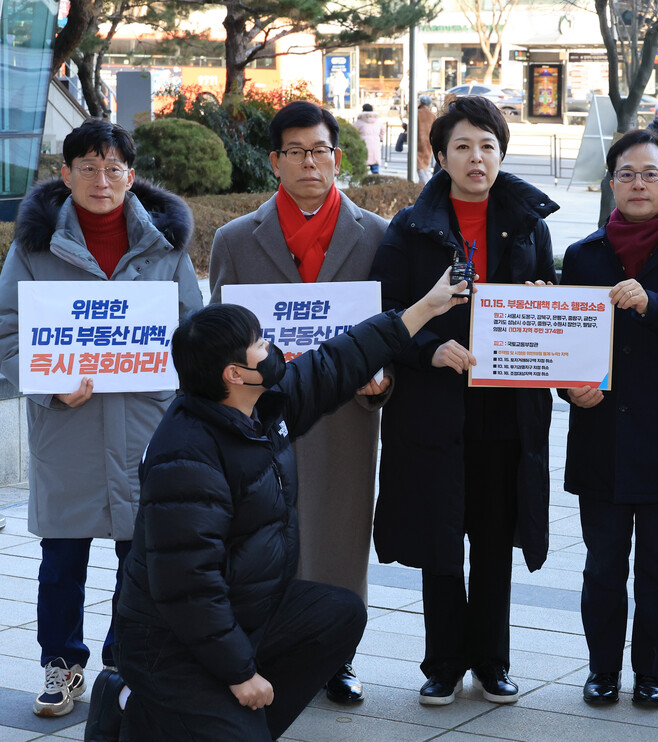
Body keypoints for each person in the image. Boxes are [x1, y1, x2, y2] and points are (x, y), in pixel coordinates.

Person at [103, 275, 467, 741]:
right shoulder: (187, 457)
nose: (270, 346)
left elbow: (337, 360)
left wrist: (425, 307)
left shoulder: (260, 405)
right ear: (233, 374)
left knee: (340, 613)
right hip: (171, 642)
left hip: (246, 610)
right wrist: (239, 674)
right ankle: (136, 704)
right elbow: (189, 589)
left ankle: (231, 723)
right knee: (232, 715)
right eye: (258, 344)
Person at [0, 119, 202, 719]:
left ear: (132, 177)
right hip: (68, 432)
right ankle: (61, 664)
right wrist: (48, 385)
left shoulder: (165, 246)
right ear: (65, 175)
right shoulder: (33, 248)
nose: (101, 179)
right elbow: (7, 338)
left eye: (114, 168)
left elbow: (196, 335)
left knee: (138, 558)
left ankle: (123, 662)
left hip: (145, 427)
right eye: (87, 167)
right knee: (61, 559)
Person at [370, 95, 558, 706]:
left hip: (506, 409)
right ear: (440, 155)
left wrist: (539, 301)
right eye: (463, 147)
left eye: (488, 146)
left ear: (502, 151)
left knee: (495, 538)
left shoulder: (531, 222)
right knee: (440, 540)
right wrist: (429, 350)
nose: (477, 158)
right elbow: (388, 312)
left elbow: (551, 311)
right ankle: (443, 663)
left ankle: (493, 662)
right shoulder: (411, 227)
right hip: (434, 407)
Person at [209, 100, 388, 705]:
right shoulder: (236, 240)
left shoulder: (375, 235)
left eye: (319, 151)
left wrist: (383, 381)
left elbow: (391, 330)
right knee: (261, 538)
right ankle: (264, 649)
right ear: (274, 161)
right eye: (295, 151)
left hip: (343, 412)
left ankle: (338, 655)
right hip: (262, 418)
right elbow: (220, 333)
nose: (309, 163)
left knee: (339, 534)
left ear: (337, 158)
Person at [560, 129, 658, 707]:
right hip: (599, 433)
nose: (637, 184)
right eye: (626, 174)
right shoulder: (582, 255)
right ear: (611, 184)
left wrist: (652, 303)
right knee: (603, 564)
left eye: (650, 174)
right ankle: (602, 670)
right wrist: (566, 387)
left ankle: (652, 672)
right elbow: (559, 342)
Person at [354, 103, 385, 174]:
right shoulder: (377, 121)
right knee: (375, 164)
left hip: (363, 144)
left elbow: (353, 130)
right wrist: (380, 137)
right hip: (375, 144)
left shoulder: (360, 121)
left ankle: (363, 179)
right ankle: (376, 178)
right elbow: (383, 129)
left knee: (363, 164)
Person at [416, 95, 436, 184]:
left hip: (416, 142)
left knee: (420, 168)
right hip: (428, 143)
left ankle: (425, 187)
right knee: (423, 166)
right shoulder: (432, 116)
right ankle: (422, 187)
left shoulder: (416, 113)